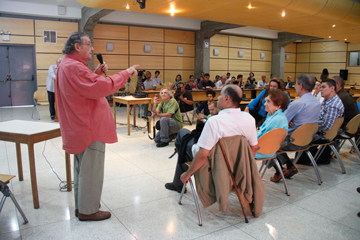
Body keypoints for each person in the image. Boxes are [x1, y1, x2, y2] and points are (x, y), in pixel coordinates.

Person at [56, 32, 138, 221]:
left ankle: (82, 206)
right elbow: (102, 88)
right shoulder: (75, 67)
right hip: (88, 127)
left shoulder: (66, 65)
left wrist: (95, 74)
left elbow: (81, 88)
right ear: (77, 46)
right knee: (91, 171)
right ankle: (88, 211)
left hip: (78, 127)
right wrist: (125, 73)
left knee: (82, 170)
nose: (92, 49)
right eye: (89, 44)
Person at [165, 85, 258, 193]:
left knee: (183, 136)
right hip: (235, 163)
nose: (218, 98)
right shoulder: (249, 119)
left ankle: (178, 183)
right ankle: (177, 178)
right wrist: (242, 168)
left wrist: (187, 174)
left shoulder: (214, 121)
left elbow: (202, 154)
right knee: (185, 139)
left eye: (220, 95)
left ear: (227, 98)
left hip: (212, 162)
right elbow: (254, 147)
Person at [272, 74, 321, 182]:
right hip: (307, 140)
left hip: (293, 141)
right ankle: (289, 166)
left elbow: (279, 120)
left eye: (296, 84)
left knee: (269, 142)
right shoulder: (317, 102)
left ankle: (279, 171)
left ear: (301, 86)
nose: (295, 87)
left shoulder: (298, 103)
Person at [255, 89, 289, 159]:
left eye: (268, 102)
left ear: (278, 105)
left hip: (262, 151)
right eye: (265, 101)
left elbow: (260, 137)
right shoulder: (274, 116)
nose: (264, 104)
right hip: (267, 150)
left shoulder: (277, 119)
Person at [46, 57, 62, 122]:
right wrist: (56, 77)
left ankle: (59, 115)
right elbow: (51, 74)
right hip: (51, 88)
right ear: (57, 62)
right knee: (51, 102)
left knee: (59, 102)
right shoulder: (52, 67)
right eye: (60, 62)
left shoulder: (62, 68)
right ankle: (52, 115)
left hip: (59, 89)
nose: (61, 64)